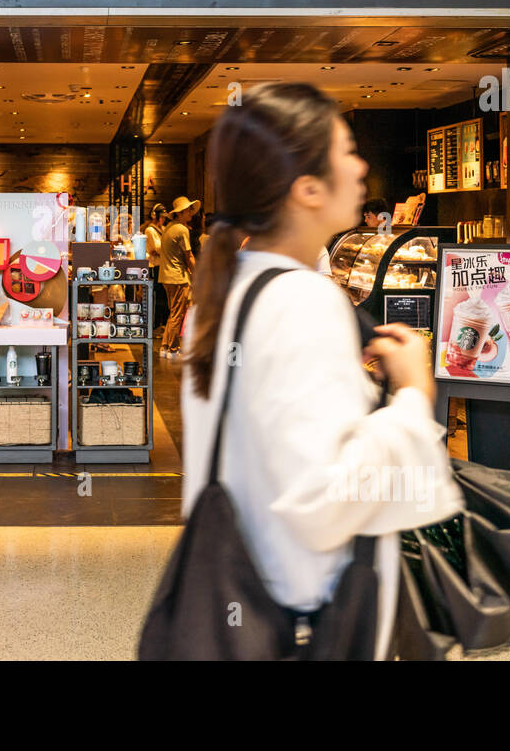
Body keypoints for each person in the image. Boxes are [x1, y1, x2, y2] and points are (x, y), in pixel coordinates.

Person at [180, 83, 462, 661]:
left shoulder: (229, 291)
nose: (361, 167)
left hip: (246, 603)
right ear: (307, 187)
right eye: (345, 150)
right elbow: (326, 497)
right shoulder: (304, 301)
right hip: (306, 616)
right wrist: (412, 393)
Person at [158, 195, 200, 359]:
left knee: (173, 313)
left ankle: (165, 346)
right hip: (178, 277)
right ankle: (173, 349)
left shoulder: (169, 227)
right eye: (188, 210)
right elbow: (188, 256)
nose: (191, 213)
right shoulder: (182, 230)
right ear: (180, 212)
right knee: (177, 314)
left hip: (166, 276)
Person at [141, 204, 169, 330]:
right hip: (155, 265)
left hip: (163, 264)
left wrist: (163, 249)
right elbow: (156, 248)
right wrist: (165, 248)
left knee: (164, 294)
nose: (163, 219)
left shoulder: (164, 228)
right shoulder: (150, 230)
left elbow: (162, 248)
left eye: (164, 217)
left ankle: (162, 322)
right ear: (154, 215)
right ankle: (156, 323)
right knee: (157, 295)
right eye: (161, 216)